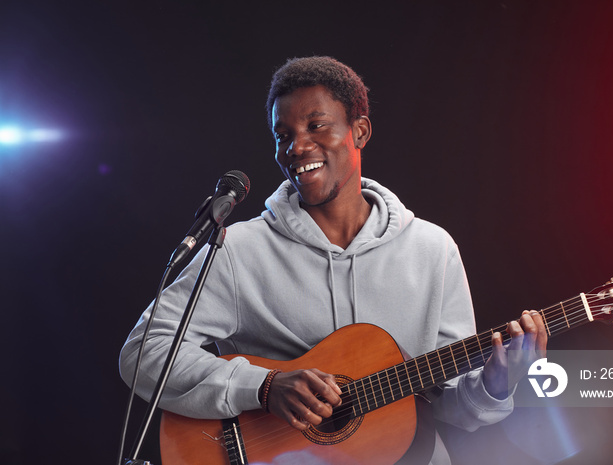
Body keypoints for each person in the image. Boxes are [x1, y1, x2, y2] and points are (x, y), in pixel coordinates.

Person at [119, 56, 547, 463]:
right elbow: (143, 351)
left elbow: (453, 405)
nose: (296, 147)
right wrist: (263, 386)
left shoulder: (432, 250)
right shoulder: (237, 250)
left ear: (359, 132)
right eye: (283, 135)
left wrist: (497, 381)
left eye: (315, 126)